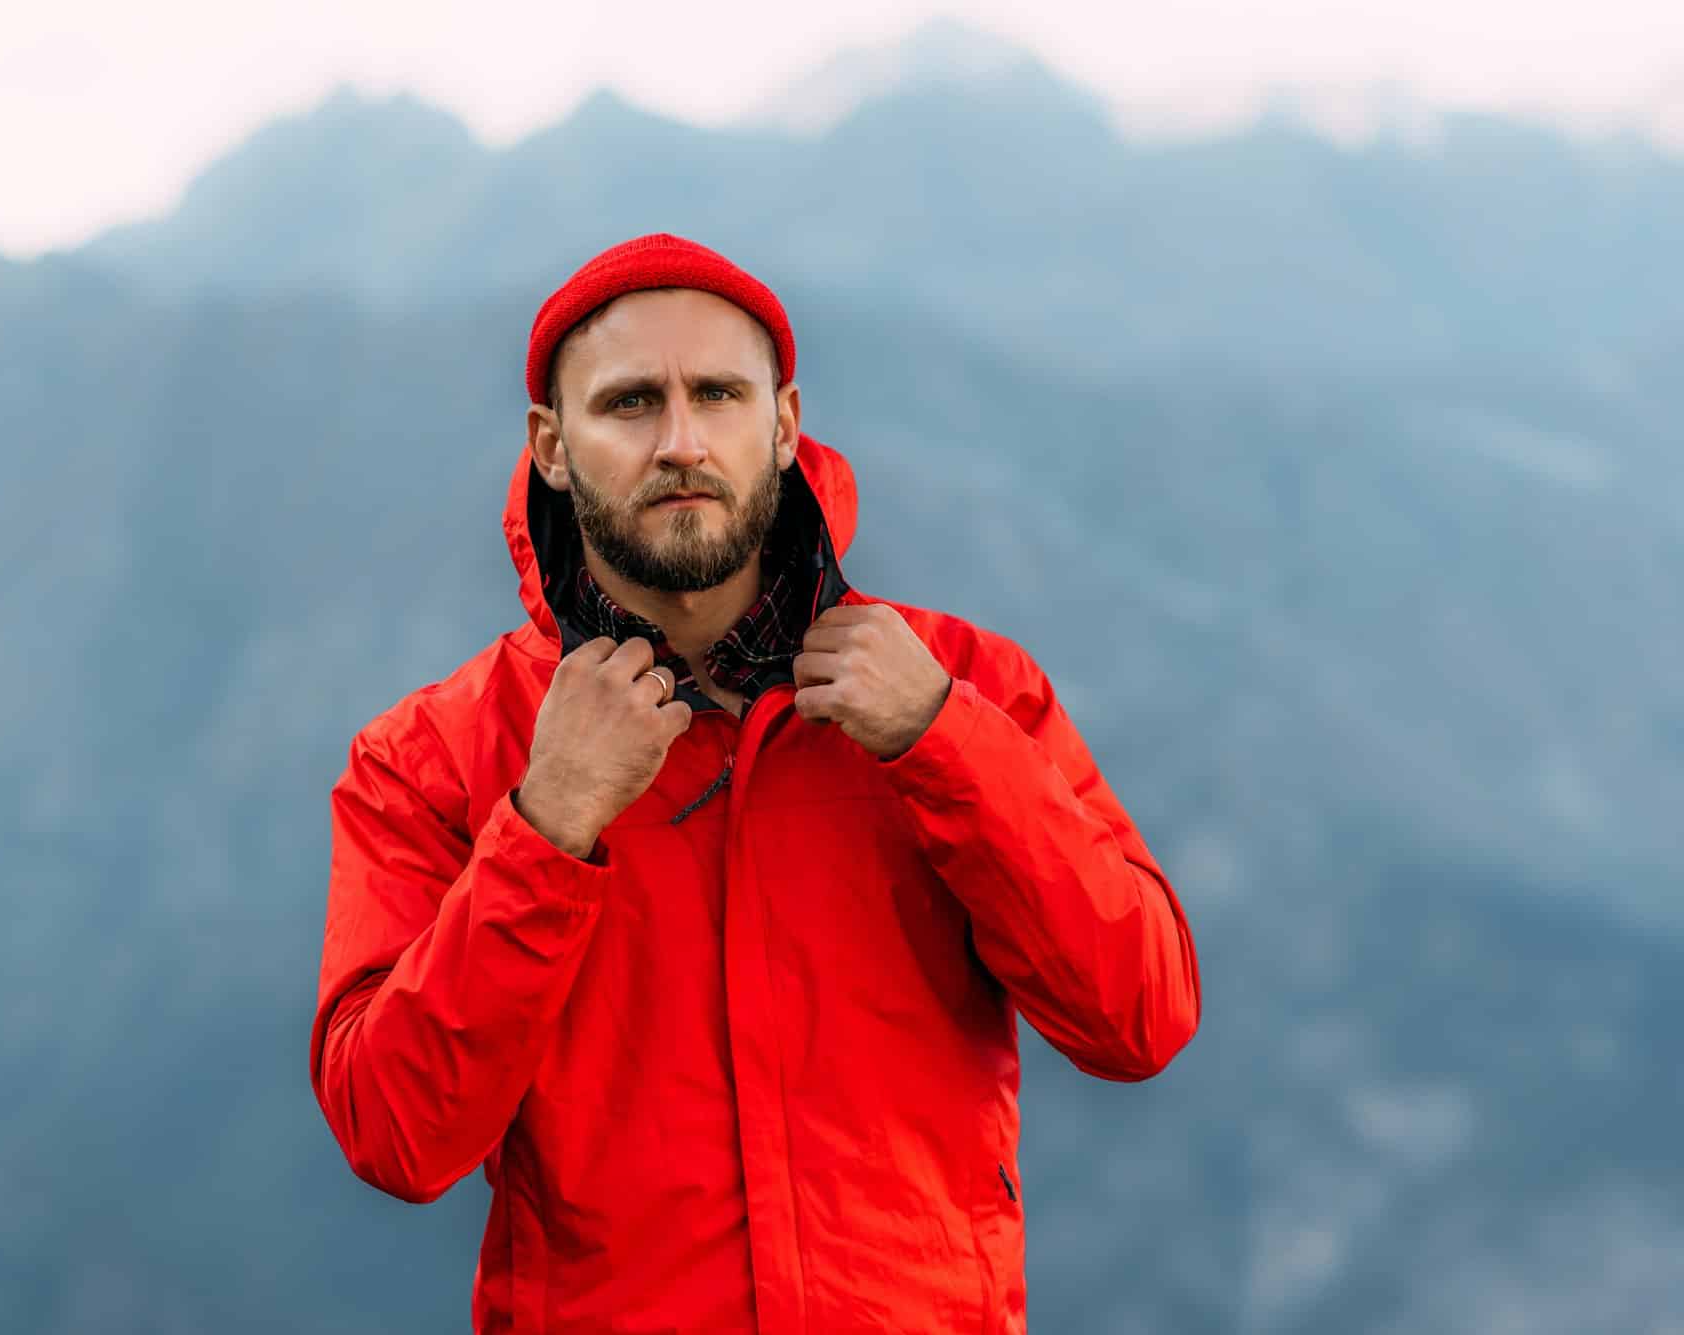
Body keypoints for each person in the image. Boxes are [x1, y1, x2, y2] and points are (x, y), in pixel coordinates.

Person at [309, 233, 1201, 1334]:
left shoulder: (967, 691)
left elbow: (1137, 1016)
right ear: (549, 445)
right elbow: (395, 1135)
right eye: (630, 403)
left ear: (780, 426)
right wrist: (546, 830)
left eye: (717, 395)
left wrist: (940, 747)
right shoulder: (432, 756)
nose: (680, 442)